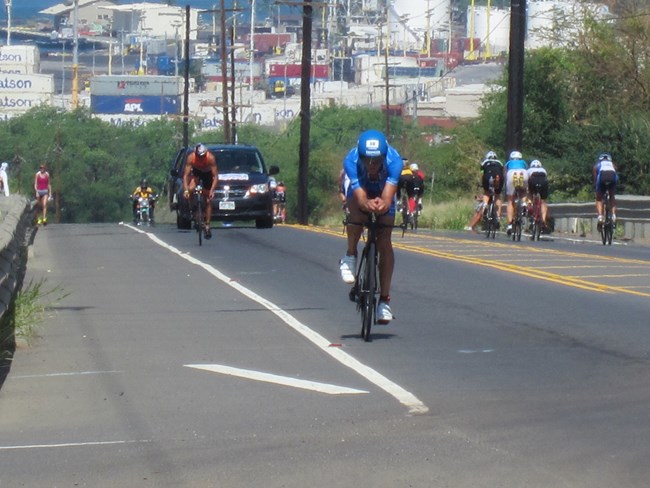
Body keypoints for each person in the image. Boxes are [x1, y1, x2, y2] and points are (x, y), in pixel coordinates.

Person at [339, 129, 403, 324]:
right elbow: (359, 198)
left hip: (383, 189)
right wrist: (366, 203)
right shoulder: (351, 161)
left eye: (376, 161)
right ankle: (350, 255)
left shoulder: (395, 163)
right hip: (362, 190)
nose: (372, 165)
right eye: (367, 160)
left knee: (384, 240)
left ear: (384, 157)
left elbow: (387, 197)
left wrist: (382, 204)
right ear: (361, 156)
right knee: (356, 217)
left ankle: (384, 301)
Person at [183, 143, 218, 239]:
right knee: (190, 189)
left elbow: (215, 177)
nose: (200, 157)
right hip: (197, 172)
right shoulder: (191, 157)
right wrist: (186, 190)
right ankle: (193, 209)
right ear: (195, 153)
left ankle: (207, 225)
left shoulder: (210, 158)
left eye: (202, 155)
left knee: (208, 200)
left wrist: (212, 190)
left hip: (207, 174)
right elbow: (186, 176)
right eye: (199, 155)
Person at [503, 150, 528, 235]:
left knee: (510, 201)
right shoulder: (523, 162)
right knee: (524, 190)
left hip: (511, 174)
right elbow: (527, 170)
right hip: (522, 173)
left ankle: (510, 224)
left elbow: (505, 173)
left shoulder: (508, 163)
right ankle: (524, 203)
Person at [593, 152, 618, 228]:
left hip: (602, 177)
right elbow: (616, 175)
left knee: (599, 198)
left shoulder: (597, 165)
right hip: (612, 177)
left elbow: (596, 178)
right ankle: (613, 216)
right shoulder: (613, 165)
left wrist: (597, 189)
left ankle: (600, 216)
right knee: (612, 196)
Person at [526, 159, 549, 226]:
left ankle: (529, 205)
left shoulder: (529, 170)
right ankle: (543, 220)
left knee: (530, 193)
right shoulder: (543, 170)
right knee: (543, 201)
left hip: (533, 181)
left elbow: (527, 181)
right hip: (543, 182)